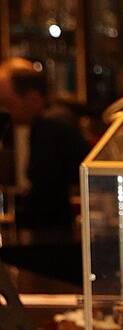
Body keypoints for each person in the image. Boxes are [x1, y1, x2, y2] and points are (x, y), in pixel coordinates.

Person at [0, 58, 89, 284]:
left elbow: (43, 189)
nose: (4, 111)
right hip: (56, 238)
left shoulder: (52, 125)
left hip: (51, 243)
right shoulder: (52, 120)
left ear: (32, 98)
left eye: (7, 103)